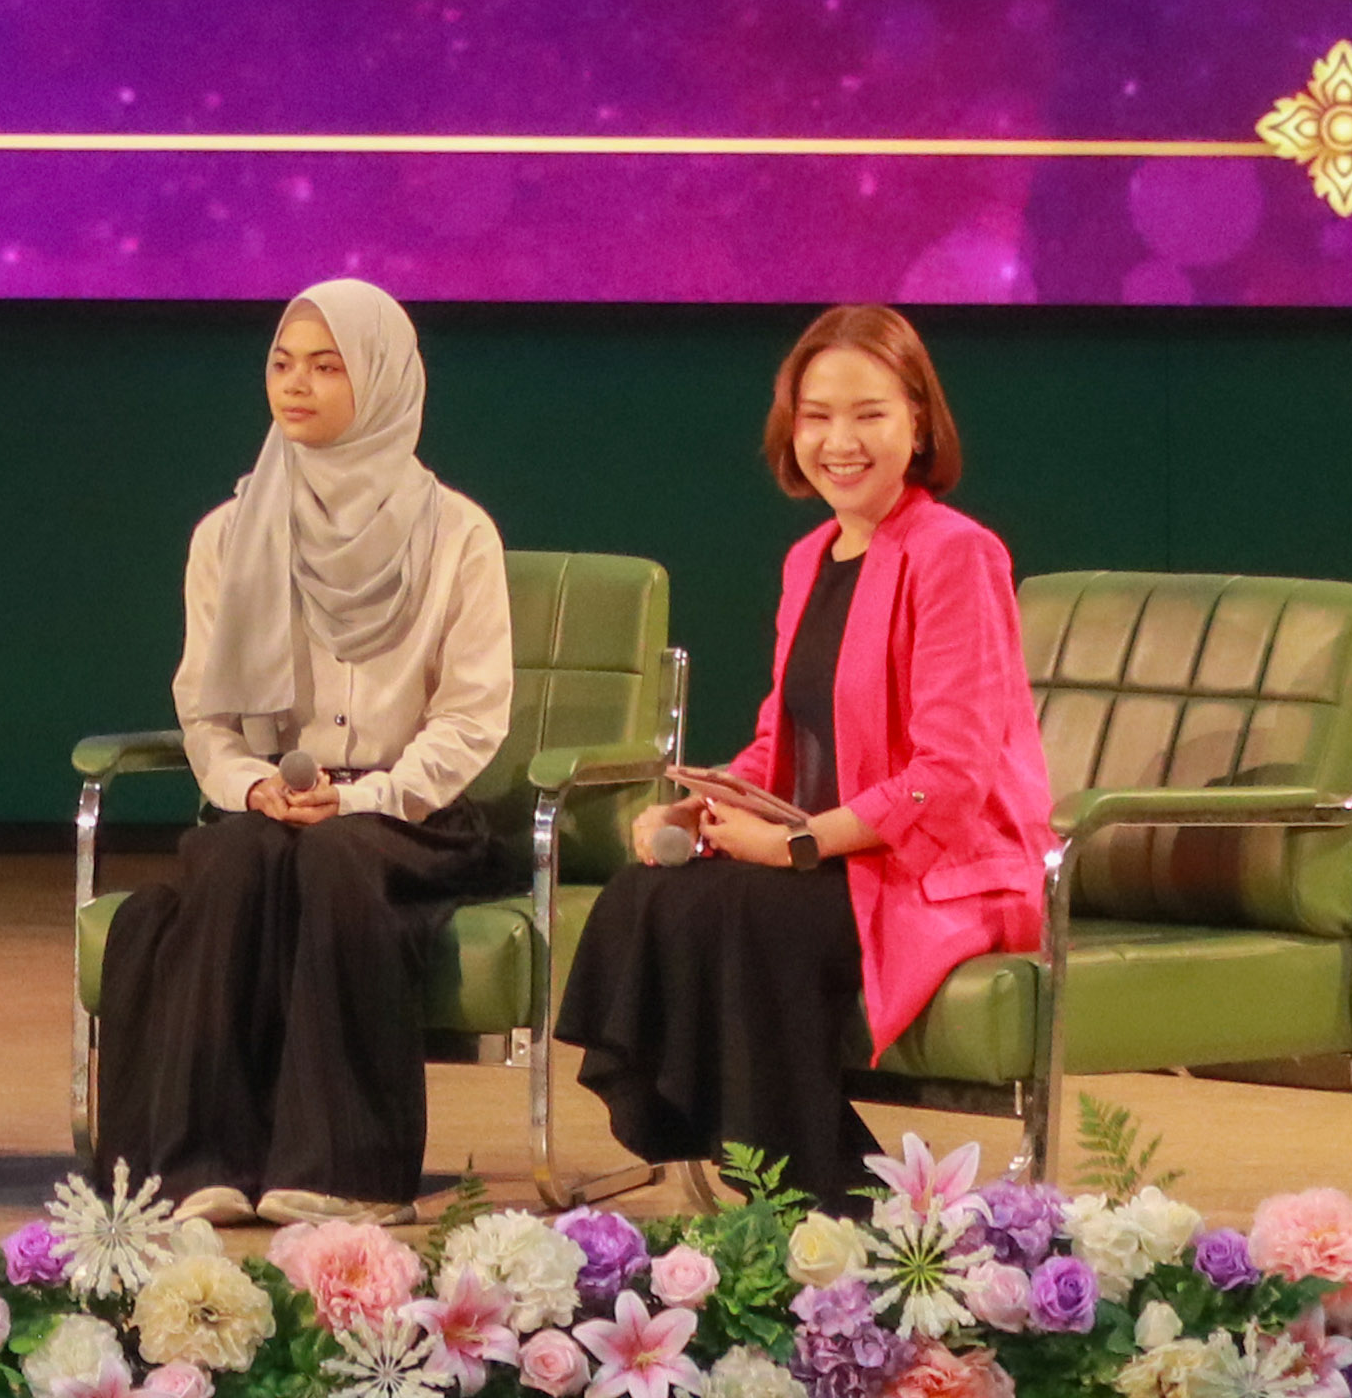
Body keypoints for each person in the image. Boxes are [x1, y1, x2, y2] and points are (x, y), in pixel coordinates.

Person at [553, 302, 1052, 1206]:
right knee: (649, 893)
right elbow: (780, 742)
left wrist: (798, 844)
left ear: (918, 425)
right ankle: (826, 1190)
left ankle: (823, 1201)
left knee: (746, 910)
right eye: (817, 416)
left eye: (870, 414)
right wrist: (708, 802)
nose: (840, 442)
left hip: (941, 871)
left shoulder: (957, 554)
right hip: (835, 855)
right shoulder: (808, 557)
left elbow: (950, 776)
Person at [92, 279, 518, 1222]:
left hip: (409, 814)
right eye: (282, 363)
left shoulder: (458, 534)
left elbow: (472, 717)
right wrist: (251, 787)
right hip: (274, 802)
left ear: (383, 381)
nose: (296, 385)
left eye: (328, 367)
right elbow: (206, 710)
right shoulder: (227, 535)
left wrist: (365, 798)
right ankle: (200, 1166)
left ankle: (343, 1172)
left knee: (336, 859)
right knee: (231, 860)